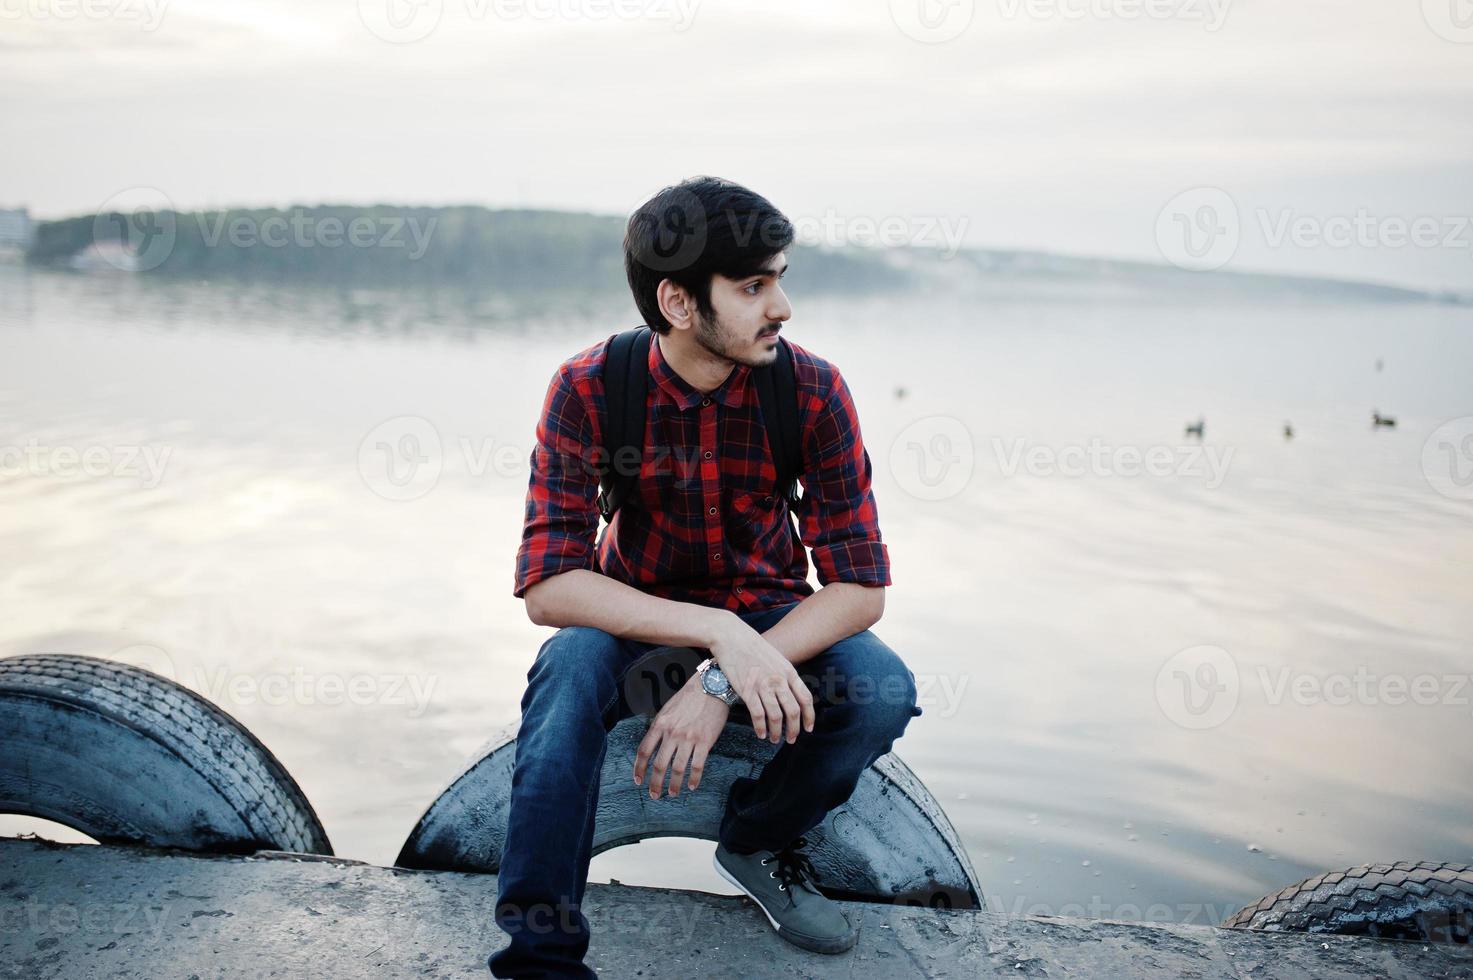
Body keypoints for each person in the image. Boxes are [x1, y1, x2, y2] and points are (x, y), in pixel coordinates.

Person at [489, 176, 920, 978]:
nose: (781, 307)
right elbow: (549, 586)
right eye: (753, 286)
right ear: (679, 303)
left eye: (779, 280)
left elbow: (859, 587)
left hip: (770, 616)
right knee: (564, 678)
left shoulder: (812, 391)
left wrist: (726, 674)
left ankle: (756, 839)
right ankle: (540, 960)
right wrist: (718, 638)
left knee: (881, 692)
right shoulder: (588, 386)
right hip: (637, 620)